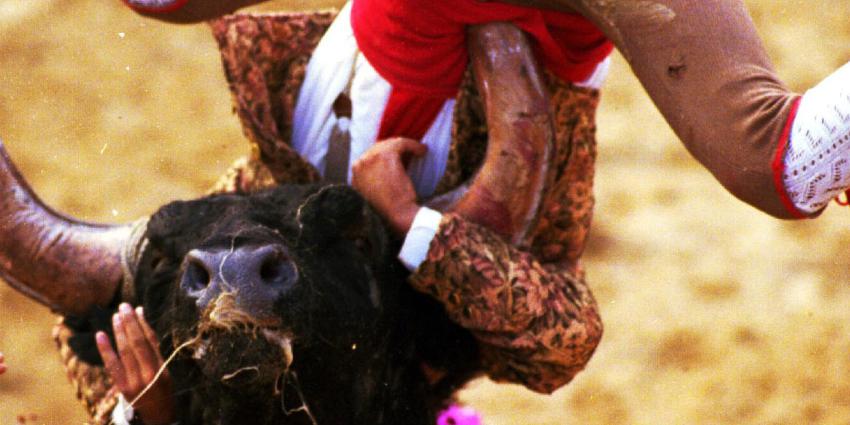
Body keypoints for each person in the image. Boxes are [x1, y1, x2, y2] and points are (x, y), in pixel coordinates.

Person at [89, 0, 850, 423]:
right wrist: (418, 228)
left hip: (405, 55)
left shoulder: (265, 181)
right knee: (778, 164)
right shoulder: (440, 320)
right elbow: (560, 337)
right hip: (532, 50)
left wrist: (142, 420)